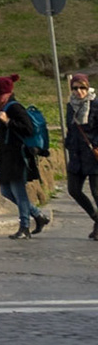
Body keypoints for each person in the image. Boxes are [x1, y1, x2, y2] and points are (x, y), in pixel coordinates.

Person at [0, 74, 50, 238]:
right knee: (5, 191)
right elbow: (1, 136)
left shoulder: (14, 107)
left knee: (18, 191)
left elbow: (28, 129)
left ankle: (24, 227)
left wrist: (9, 121)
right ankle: (38, 215)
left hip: (18, 155)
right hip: (6, 155)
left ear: (1, 91)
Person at [62, 73, 98, 240]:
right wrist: (68, 143)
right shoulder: (71, 106)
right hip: (76, 156)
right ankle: (96, 218)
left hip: (93, 155)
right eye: (75, 88)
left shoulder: (95, 104)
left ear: (87, 87)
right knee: (73, 190)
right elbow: (71, 128)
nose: (79, 91)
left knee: (96, 193)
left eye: (82, 87)